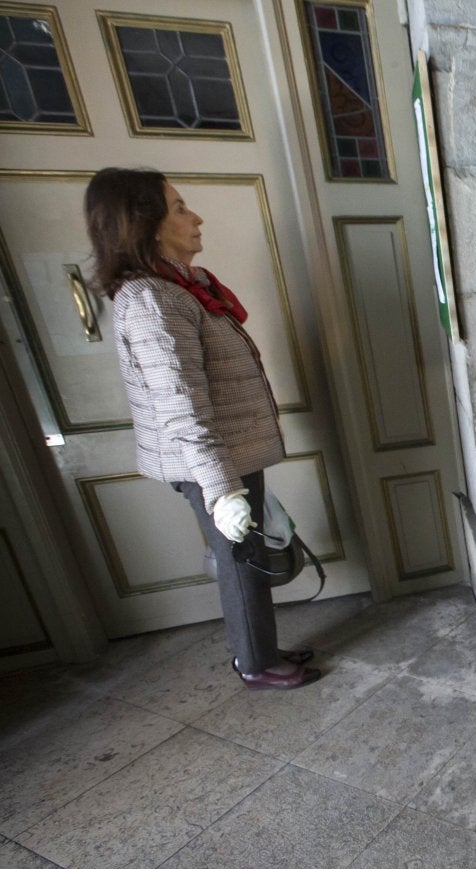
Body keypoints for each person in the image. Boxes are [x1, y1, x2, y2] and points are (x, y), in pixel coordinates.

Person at [84, 167, 320, 689]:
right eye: (179, 209)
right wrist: (221, 491)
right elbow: (180, 407)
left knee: (248, 559)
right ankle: (256, 664)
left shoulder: (180, 289)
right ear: (143, 225)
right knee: (241, 563)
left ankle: (258, 649)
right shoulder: (153, 300)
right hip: (211, 463)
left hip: (228, 455)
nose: (196, 218)